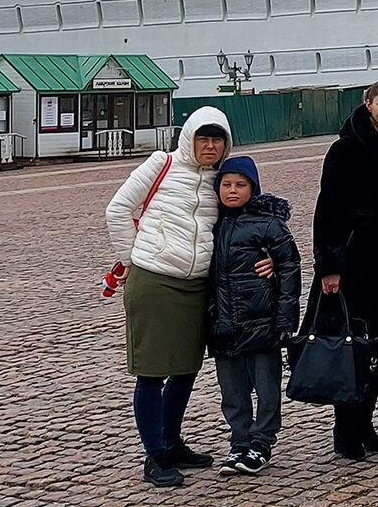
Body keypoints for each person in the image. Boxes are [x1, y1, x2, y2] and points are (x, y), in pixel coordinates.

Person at [106, 107, 240, 487]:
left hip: (198, 284)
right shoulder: (160, 164)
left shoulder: (223, 177)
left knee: (185, 369)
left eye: (217, 140)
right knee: (151, 372)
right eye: (203, 138)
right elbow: (117, 209)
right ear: (189, 138)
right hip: (155, 281)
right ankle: (154, 455)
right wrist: (134, 258)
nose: (210, 146)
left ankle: (172, 441)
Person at [312, 80, 378, 461]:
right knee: (355, 345)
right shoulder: (347, 148)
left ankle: (366, 420)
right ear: (368, 104)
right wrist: (329, 265)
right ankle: (346, 429)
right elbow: (328, 209)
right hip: (356, 257)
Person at [207, 154, 300, 477]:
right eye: (226, 184)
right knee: (232, 391)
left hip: (262, 322)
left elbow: (290, 268)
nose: (232, 191)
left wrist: (286, 320)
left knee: (266, 386)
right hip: (224, 325)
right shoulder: (211, 224)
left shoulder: (269, 224)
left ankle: (261, 442)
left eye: (241, 185)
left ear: (254, 188)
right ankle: (239, 440)